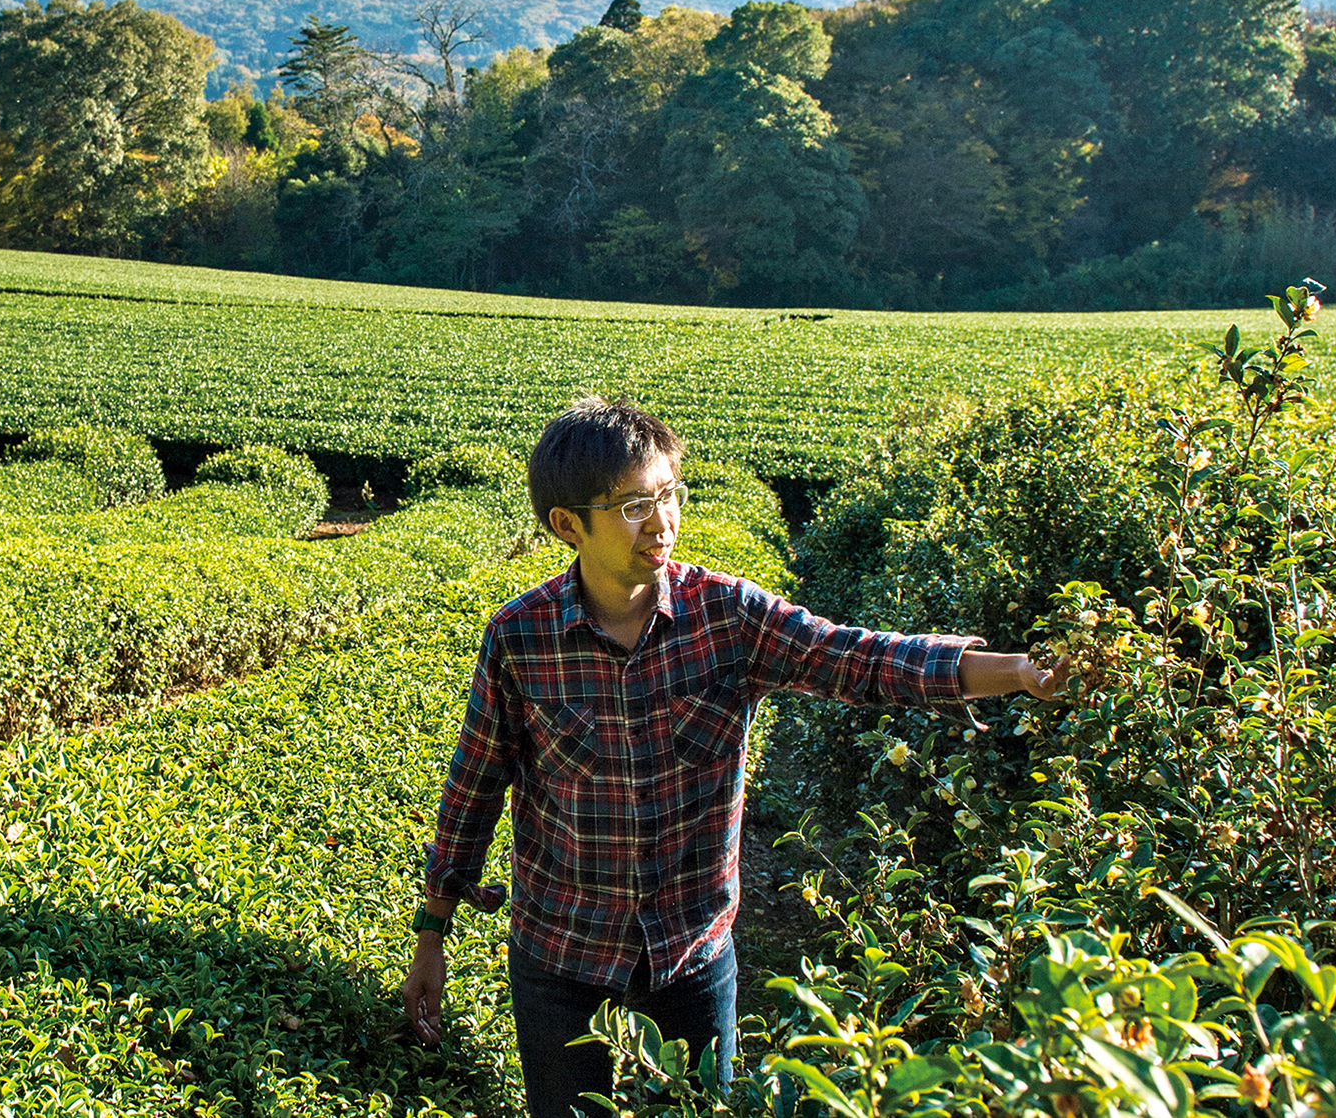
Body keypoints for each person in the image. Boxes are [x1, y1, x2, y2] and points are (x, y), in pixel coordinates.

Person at [401, 397, 1059, 1118]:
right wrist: (432, 932)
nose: (660, 522)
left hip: (690, 953)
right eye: (631, 507)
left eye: (666, 495)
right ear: (567, 525)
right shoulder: (520, 639)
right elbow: (474, 788)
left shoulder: (728, 617)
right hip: (560, 955)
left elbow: (862, 661)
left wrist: (1017, 672)